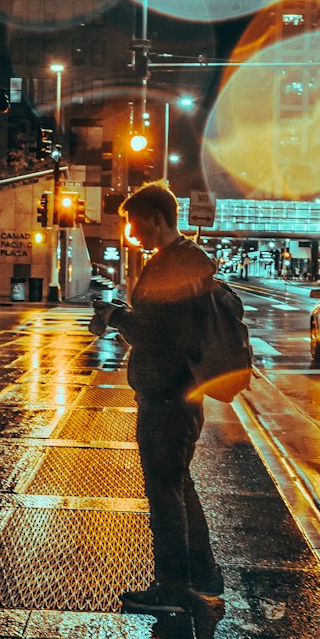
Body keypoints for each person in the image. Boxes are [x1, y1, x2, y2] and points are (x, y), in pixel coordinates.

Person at [89, 182, 227, 615]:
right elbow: (165, 328)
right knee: (178, 485)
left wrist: (117, 318)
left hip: (168, 396)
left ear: (156, 217)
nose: (132, 231)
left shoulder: (175, 264)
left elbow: (161, 335)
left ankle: (172, 587)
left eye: (134, 222)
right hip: (178, 393)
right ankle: (201, 577)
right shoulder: (183, 259)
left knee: (164, 491)